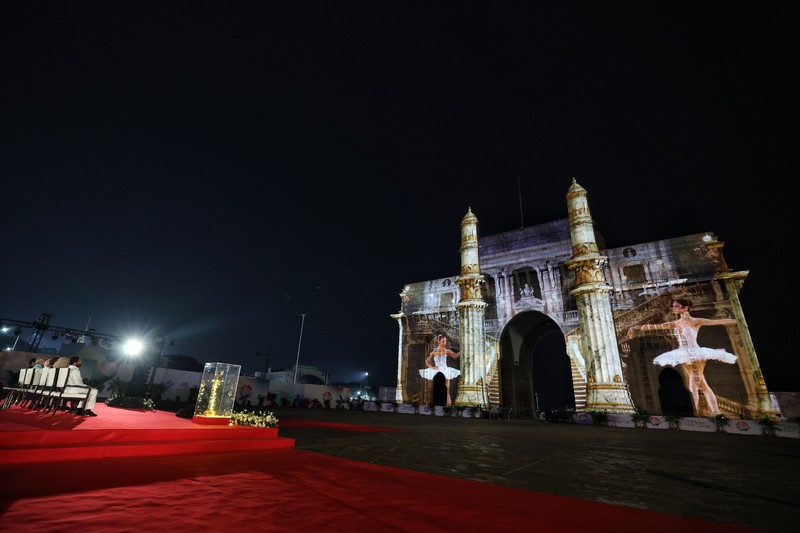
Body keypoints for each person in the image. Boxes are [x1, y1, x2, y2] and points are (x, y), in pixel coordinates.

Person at [626, 298, 737, 415]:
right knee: (699, 385)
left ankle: (702, 413)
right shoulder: (675, 324)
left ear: (685, 308)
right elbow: (654, 327)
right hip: (684, 354)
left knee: (695, 385)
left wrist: (736, 320)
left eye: (677, 306)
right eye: (673, 306)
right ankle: (711, 412)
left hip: (695, 353)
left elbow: (715, 322)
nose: (674, 308)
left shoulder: (696, 321)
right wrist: (636, 328)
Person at [419, 333, 461, 406]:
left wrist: (462, 351)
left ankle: (448, 406)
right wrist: (432, 367)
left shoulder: (447, 351)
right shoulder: (434, 352)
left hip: (445, 370)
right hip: (436, 370)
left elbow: (455, 356)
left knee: (447, 389)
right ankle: (428, 405)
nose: (444, 342)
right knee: (430, 389)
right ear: (439, 341)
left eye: (445, 341)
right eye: (443, 341)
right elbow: (427, 361)